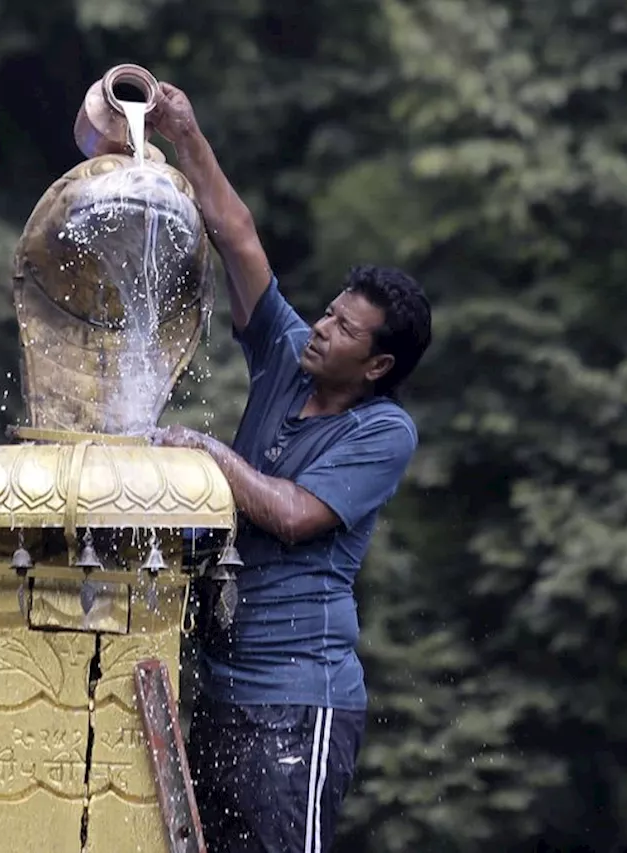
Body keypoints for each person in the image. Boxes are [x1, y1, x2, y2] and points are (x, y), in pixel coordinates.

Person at [144, 82, 433, 853]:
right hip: (225, 692)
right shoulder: (288, 359)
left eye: (343, 328)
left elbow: (296, 514)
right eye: (330, 310)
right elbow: (238, 237)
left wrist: (207, 451)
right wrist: (184, 131)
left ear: (376, 364)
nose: (323, 327)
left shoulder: (384, 432)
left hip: (301, 707)